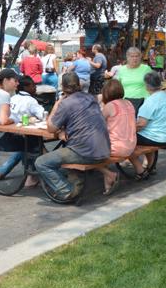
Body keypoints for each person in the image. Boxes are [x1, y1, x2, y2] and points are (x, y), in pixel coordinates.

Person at [36, 72, 111, 201]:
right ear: (79, 84)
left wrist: (56, 105)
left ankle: (66, 191)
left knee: (41, 162)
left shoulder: (66, 104)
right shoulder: (90, 98)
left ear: (62, 86)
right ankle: (75, 180)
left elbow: (51, 128)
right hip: (105, 148)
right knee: (63, 154)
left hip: (85, 152)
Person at [0, 69, 39, 187]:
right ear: (5, 80)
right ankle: (32, 177)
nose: (17, 83)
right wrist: (15, 120)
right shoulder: (3, 95)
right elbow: (3, 120)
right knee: (32, 142)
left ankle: (29, 173)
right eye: (15, 80)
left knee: (24, 142)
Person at [0, 76, 46, 180]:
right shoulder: (30, 101)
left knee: (25, 147)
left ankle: (3, 170)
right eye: (33, 85)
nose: (35, 88)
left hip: (9, 134)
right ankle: (36, 174)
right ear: (26, 87)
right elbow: (43, 115)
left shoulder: (12, 98)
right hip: (22, 135)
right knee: (33, 146)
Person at [134, 71, 166, 177]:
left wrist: (125, 131)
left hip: (157, 137)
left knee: (125, 140)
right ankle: (151, 166)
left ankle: (140, 170)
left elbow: (141, 124)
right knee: (143, 135)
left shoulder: (151, 101)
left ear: (146, 86)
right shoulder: (165, 97)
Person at [98, 79, 137, 195]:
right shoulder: (128, 103)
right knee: (103, 145)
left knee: (87, 152)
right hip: (131, 144)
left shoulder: (109, 106)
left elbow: (97, 124)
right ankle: (107, 183)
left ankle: (109, 174)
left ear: (106, 92)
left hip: (117, 147)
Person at [116, 47, 152, 114]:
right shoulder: (121, 70)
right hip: (125, 103)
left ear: (140, 57)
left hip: (143, 102)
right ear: (127, 57)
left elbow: (153, 85)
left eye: (137, 56)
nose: (135, 58)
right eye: (132, 56)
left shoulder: (146, 69)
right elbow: (117, 86)